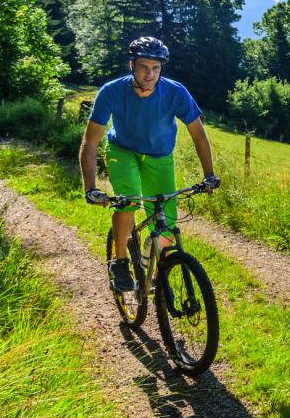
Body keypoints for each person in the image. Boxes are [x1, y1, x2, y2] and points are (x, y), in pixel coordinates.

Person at [78, 36, 218, 293]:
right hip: (123, 151)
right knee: (128, 201)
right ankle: (120, 262)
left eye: (155, 68)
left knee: (167, 220)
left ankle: (155, 274)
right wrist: (90, 186)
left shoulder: (175, 92)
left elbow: (198, 134)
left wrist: (209, 174)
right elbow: (90, 141)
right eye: (144, 67)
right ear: (132, 65)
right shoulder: (111, 91)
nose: (150, 74)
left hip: (159, 157)